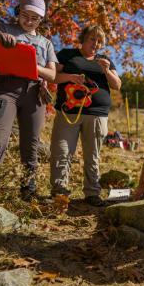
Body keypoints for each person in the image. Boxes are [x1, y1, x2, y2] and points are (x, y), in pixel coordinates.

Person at [0, 0, 58, 201]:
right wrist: (1, 46)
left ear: (41, 20)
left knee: (31, 144)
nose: (29, 21)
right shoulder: (4, 31)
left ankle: (29, 189)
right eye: (25, 15)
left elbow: (52, 74)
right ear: (18, 12)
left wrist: (31, 65)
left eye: (35, 18)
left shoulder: (46, 43)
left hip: (34, 94)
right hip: (5, 89)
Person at [49, 25, 121, 207]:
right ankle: (60, 193)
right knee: (62, 151)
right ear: (83, 38)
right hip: (68, 112)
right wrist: (70, 77)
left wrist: (106, 70)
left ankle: (92, 193)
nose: (95, 44)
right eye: (92, 39)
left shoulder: (105, 60)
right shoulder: (67, 54)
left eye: (99, 41)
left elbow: (117, 85)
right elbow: (53, 76)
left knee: (93, 155)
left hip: (97, 115)